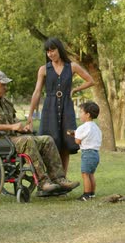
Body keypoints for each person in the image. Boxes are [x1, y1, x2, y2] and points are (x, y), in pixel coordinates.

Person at [0, 69, 79, 194]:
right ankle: (43, 183)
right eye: (3, 85)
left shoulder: (6, 103)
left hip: (13, 139)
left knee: (47, 139)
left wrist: (23, 128)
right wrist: (11, 127)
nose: (6, 88)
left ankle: (59, 179)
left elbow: (14, 122)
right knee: (27, 141)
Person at [27, 37, 94, 174]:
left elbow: (90, 80)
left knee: (65, 143)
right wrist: (30, 115)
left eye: (53, 50)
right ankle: (50, 177)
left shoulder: (72, 67)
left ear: (59, 49)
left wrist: (75, 90)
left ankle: (63, 177)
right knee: (48, 142)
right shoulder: (43, 69)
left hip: (66, 108)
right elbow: (37, 92)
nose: (50, 54)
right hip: (49, 108)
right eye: (48, 52)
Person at [67, 101, 102, 201]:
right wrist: (76, 134)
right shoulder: (96, 127)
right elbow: (88, 137)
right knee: (91, 174)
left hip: (87, 154)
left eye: (81, 112)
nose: (80, 114)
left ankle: (86, 195)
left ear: (87, 114)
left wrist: (73, 135)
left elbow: (77, 141)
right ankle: (92, 193)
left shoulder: (82, 127)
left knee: (85, 174)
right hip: (95, 154)